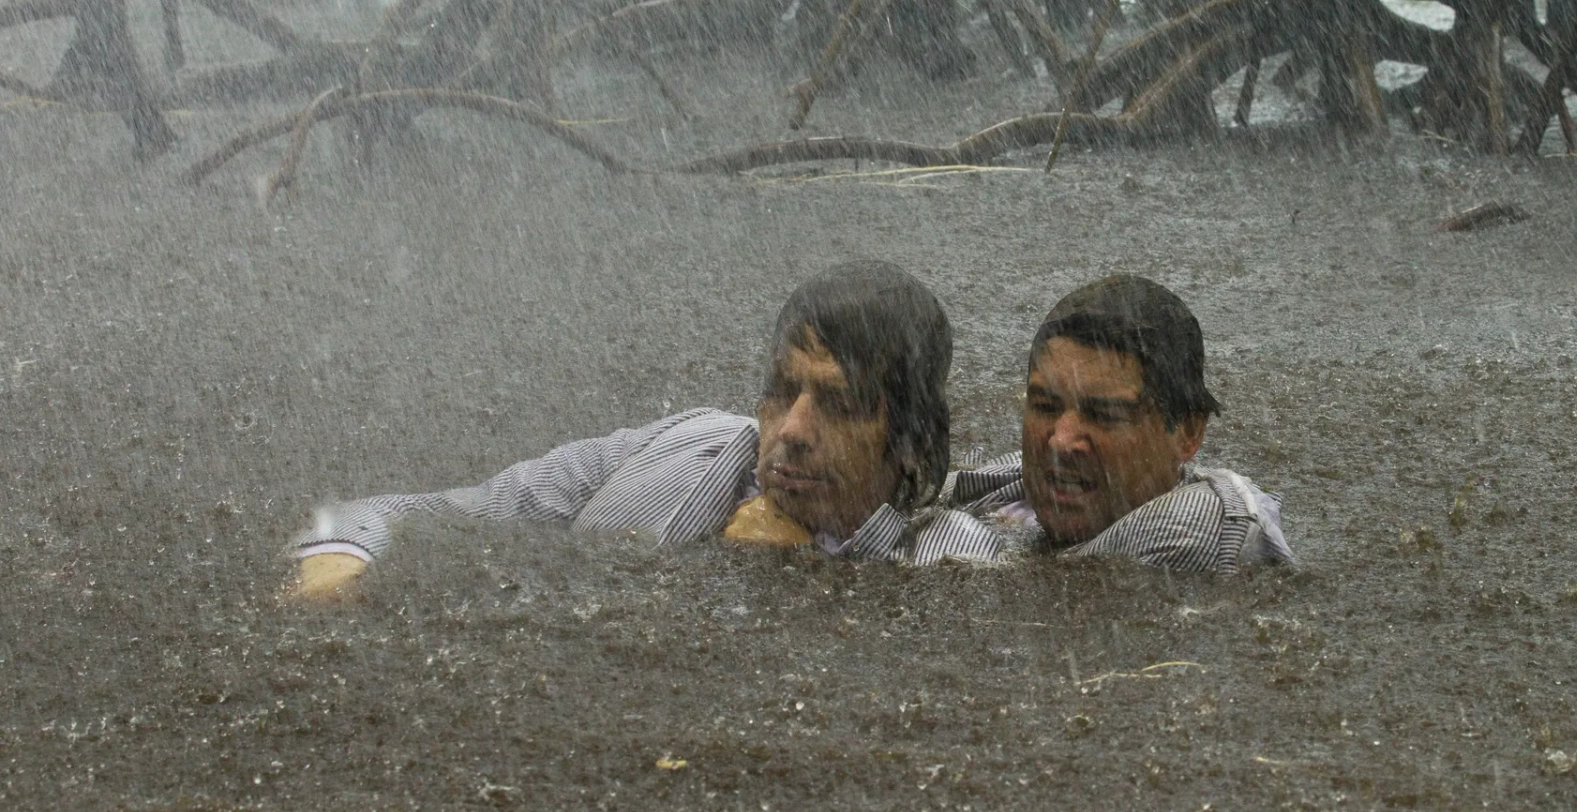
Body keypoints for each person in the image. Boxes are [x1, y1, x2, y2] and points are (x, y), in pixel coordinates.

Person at [290, 261, 999, 600]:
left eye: (837, 404)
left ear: (910, 441)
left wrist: (798, 565)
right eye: (782, 392)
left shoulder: (948, 563)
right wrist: (335, 564)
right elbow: (416, 513)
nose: (792, 430)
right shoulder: (681, 446)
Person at [949, 275, 1292, 573]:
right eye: (1045, 406)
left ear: (1187, 433)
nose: (1060, 441)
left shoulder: (1205, 523)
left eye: (1104, 414)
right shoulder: (1012, 482)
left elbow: (1060, 580)